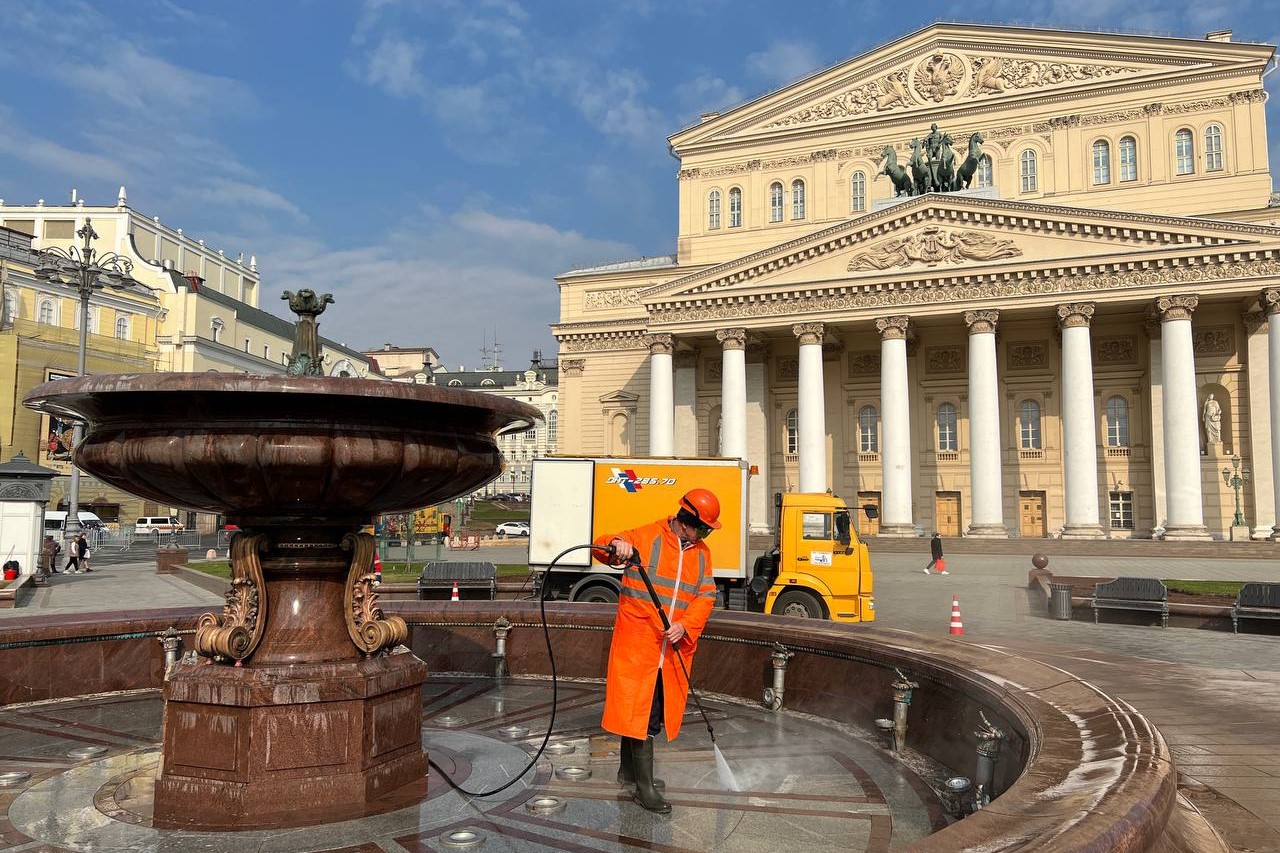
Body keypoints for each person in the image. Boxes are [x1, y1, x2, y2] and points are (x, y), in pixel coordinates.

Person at [594, 488, 722, 814]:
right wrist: (617, 546)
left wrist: (685, 625)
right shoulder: (648, 536)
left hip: (672, 645)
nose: (704, 535)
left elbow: (705, 596)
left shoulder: (701, 553)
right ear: (685, 522)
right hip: (639, 643)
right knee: (642, 713)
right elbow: (607, 545)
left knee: (647, 709)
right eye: (703, 528)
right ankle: (644, 787)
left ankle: (628, 772)